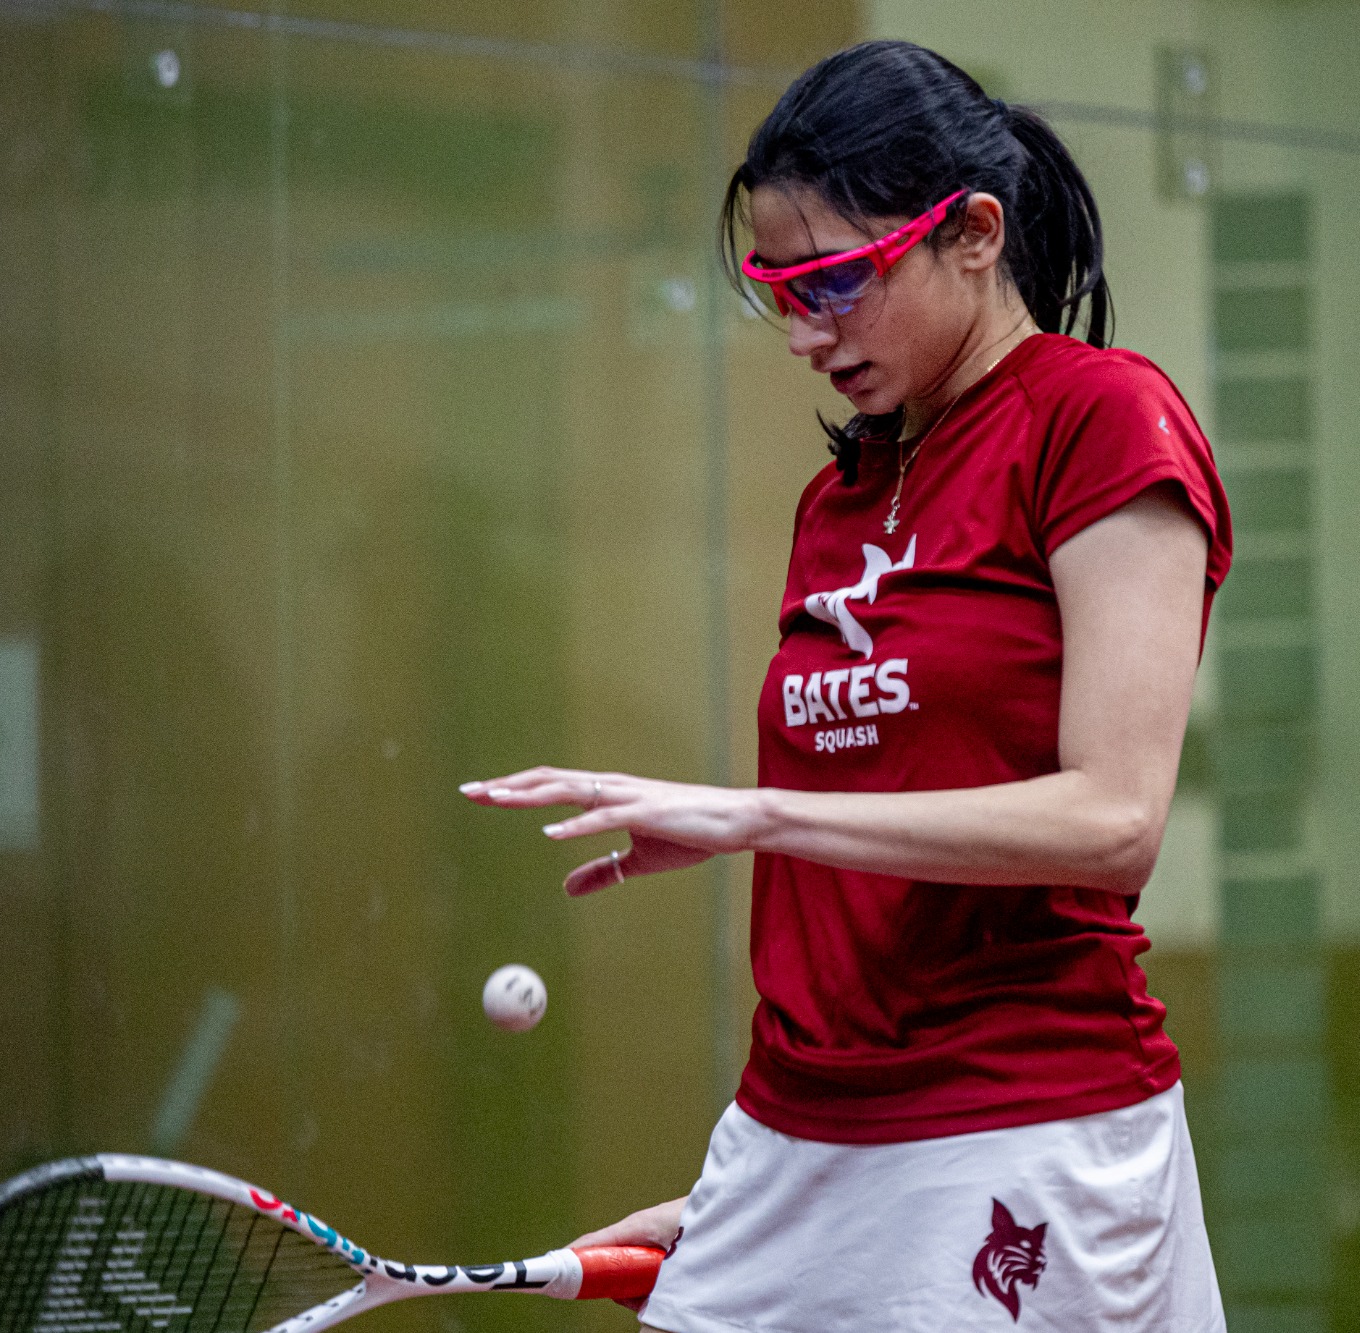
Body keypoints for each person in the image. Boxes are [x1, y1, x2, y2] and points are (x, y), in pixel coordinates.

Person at [461, 39, 1230, 1333]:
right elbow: (866, 868)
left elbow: (1114, 821)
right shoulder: (842, 495)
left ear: (974, 234)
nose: (806, 329)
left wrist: (752, 814)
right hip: (802, 1129)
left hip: (1024, 1120)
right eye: (778, 288)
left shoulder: (1102, 423)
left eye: (836, 279)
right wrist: (782, 1172)